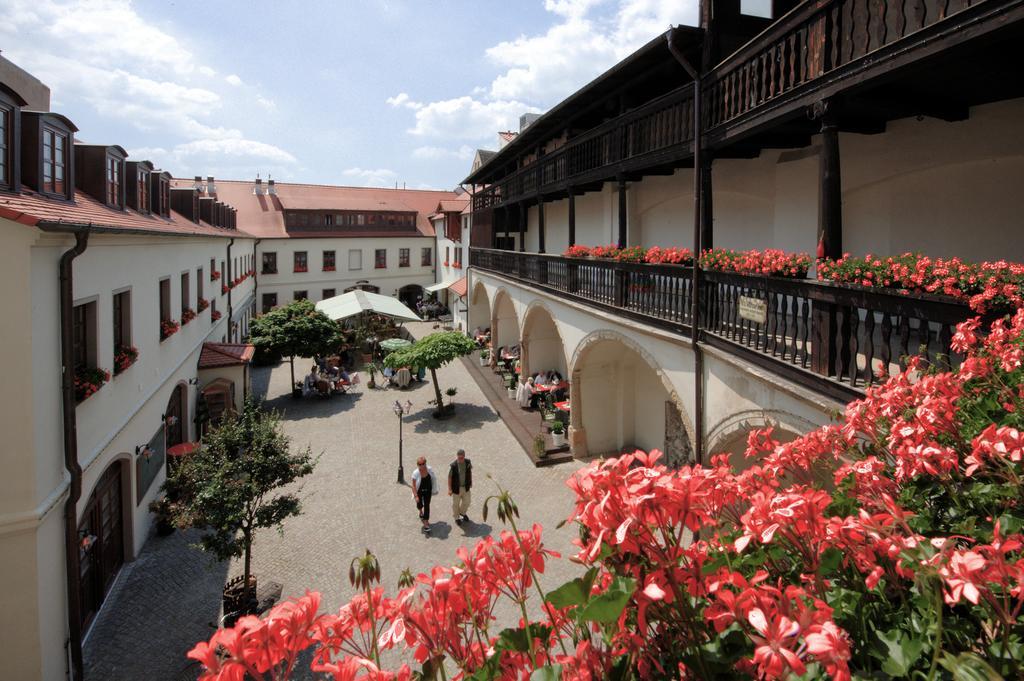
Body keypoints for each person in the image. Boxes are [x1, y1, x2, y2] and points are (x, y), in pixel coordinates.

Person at [411, 457, 438, 535]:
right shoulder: (415, 473)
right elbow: (413, 485)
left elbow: (433, 478)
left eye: (423, 464)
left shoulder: (429, 469)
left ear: (425, 463)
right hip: (419, 490)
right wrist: (416, 496)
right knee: (419, 504)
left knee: (427, 505)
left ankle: (426, 523)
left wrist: (434, 489)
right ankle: (420, 511)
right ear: (417, 465)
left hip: (428, 490)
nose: (421, 466)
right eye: (419, 464)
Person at [448, 449, 473, 525]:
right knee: (456, 504)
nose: (460, 459)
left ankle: (462, 512)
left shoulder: (468, 462)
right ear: (457, 456)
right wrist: (449, 489)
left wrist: (471, 481)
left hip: (466, 487)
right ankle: (456, 517)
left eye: (462, 458)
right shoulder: (454, 465)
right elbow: (449, 477)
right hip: (456, 488)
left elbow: (470, 472)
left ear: (464, 456)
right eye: (459, 458)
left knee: (467, 501)